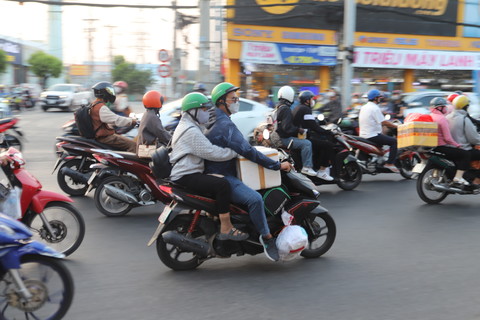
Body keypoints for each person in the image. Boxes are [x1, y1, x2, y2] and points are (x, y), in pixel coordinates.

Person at [204, 82, 292, 262]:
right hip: (223, 174)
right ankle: (267, 238)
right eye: (233, 99)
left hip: (212, 170)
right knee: (255, 199)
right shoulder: (224, 124)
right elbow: (248, 151)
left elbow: (242, 146)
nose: (236, 101)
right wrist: (276, 166)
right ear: (222, 102)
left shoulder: (213, 118)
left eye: (237, 98)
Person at [169, 92, 248, 241]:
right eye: (204, 109)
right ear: (193, 111)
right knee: (223, 185)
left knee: (218, 179)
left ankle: (213, 218)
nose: (207, 112)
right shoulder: (191, 131)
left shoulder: (188, 125)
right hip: (187, 175)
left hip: (187, 172)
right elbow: (212, 152)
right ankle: (226, 227)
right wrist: (235, 152)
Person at [274, 86, 318, 177]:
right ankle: (307, 167)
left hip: (279, 137)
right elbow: (287, 127)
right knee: (307, 143)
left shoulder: (279, 107)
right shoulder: (286, 109)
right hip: (285, 139)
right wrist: (299, 130)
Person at [293, 90, 334, 181]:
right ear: (307, 100)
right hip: (302, 138)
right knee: (328, 145)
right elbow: (313, 126)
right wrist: (328, 132)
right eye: (312, 99)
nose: (313, 101)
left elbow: (308, 124)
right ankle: (322, 171)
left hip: (298, 136)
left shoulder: (298, 108)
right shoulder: (306, 109)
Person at [429, 97, 471, 185]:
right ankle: (458, 177)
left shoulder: (430, 116)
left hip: (431, 147)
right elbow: (447, 138)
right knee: (465, 154)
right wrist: (457, 145)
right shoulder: (442, 119)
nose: (445, 108)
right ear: (439, 108)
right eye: (444, 107)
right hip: (441, 147)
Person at [358, 89, 399, 173]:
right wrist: (396, 126)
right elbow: (383, 122)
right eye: (379, 97)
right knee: (394, 142)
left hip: (363, 135)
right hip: (372, 135)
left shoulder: (364, 107)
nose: (380, 99)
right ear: (375, 98)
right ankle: (389, 163)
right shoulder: (374, 108)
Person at [90, 81, 137, 152]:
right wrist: (132, 121)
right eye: (110, 91)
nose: (112, 93)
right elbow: (117, 119)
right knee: (133, 145)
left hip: (99, 134)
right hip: (105, 137)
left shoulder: (93, 104)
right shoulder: (100, 107)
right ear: (105, 93)